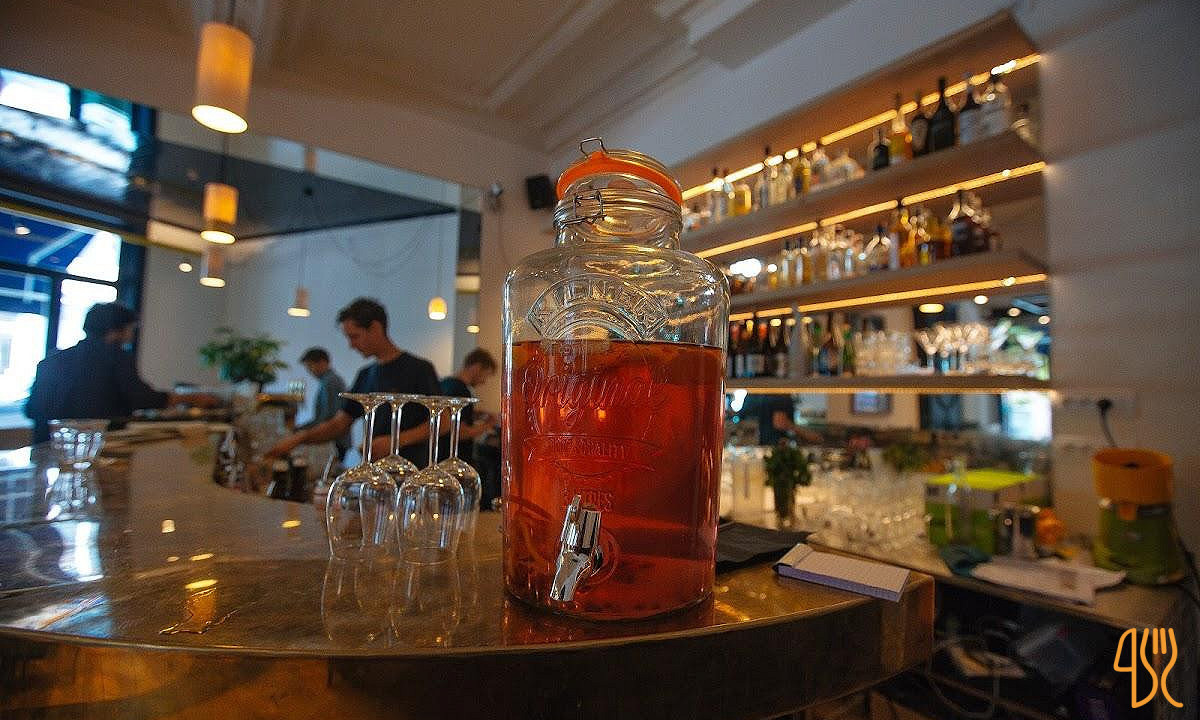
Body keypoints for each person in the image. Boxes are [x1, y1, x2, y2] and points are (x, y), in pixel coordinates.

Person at [266, 298, 439, 466]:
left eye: (354, 336)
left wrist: (395, 441)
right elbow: (340, 424)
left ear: (375, 328)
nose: (351, 345)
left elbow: (443, 421)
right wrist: (299, 438)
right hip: (376, 471)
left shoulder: (419, 369)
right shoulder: (365, 374)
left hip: (413, 471)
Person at [25, 302, 216, 443]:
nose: (131, 334)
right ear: (115, 330)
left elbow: (32, 409)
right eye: (130, 328)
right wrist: (192, 398)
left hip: (47, 446)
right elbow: (143, 398)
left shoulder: (51, 360)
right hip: (99, 447)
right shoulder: (116, 357)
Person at [437, 348, 498, 462]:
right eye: (485, 375)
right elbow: (460, 433)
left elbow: (450, 416)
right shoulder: (462, 391)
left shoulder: (445, 383)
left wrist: (473, 414)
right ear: (477, 367)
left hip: (440, 454)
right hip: (454, 459)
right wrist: (489, 424)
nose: (484, 381)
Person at [296, 347, 349, 459]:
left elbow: (328, 416)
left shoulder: (330, 382)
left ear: (322, 362)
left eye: (310, 366)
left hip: (333, 440)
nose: (309, 371)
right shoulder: (328, 380)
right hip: (334, 438)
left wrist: (301, 431)